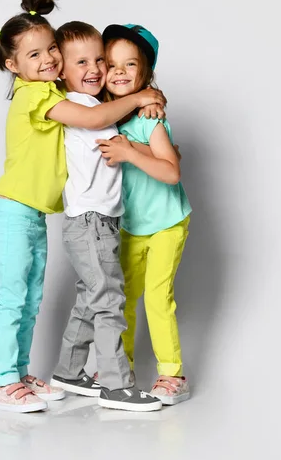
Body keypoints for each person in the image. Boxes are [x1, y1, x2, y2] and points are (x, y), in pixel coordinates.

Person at [0, 0, 166, 413]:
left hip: (35, 213)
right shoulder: (37, 96)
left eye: (51, 49)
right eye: (34, 53)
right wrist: (142, 95)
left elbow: (97, 94)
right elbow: (95, 118)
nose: (49, 59)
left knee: (31, 298)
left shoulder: (59, 91)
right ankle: (7, 381)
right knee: (13, 298)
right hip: (12, 211)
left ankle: (27, 374)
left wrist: (149, 95)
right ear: (11, 65)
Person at [49, 21, 163, 412]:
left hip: (102, 221)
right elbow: (103, 119)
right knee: (109, 298)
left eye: (99, 58)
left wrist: (150, 98)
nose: (95, 68)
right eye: (81, 61)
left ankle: (68, 371)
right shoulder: (79, 107)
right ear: (61, 70)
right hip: (89, 220)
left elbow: (122, 113)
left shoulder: (98, 104)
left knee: (90, 298)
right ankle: (116, 384)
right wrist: (141, 97)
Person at [96, 24, 192, 405]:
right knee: (124, 297)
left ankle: (172, 374)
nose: (119, 72)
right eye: (112, 63)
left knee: (156, 296)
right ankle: (122, 369)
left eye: (129, 64)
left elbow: (171, 172)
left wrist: (131, 152)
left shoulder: (151, 119)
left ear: (145, 75)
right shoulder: (103, 115)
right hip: (130, 227)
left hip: (168, 221)